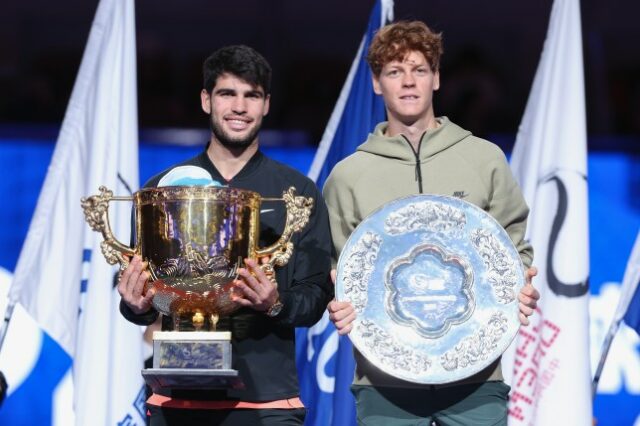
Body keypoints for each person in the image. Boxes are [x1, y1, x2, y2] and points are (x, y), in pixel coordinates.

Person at [324, 21, 540, 426]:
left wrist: (522, 284)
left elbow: (513, 250)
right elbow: (340, 270)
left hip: (477, 380)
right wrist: (335, 300)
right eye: (394, 71)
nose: (408, 82)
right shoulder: (348, 176)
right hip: (384, 384)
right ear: (376, 84)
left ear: (436, 78)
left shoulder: (484, 159)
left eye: (419, 69)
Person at [117, 45, 333, 426]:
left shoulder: (296, 193)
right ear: (206, 100)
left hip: (267, 402)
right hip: (176, 400)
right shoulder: (161, 191)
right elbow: (150, 295)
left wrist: (275, 303)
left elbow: (316, 296)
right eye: (227, 94)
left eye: (251, 96)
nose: (239, 107)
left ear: (266, 104)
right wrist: (136, 305)